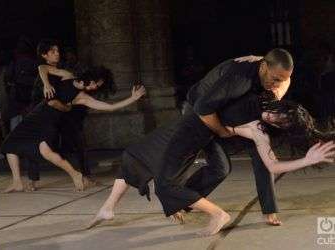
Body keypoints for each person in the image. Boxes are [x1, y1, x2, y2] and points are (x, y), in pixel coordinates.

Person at [87, 92, 335, 236]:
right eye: (278, 113)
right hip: (200, 125)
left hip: (201, 133)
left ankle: (213, 212)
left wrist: (306, 159)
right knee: (139, 155)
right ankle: (108, 208)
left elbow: (271, 167)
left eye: (279, 122)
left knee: (165, 177)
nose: (273, 118)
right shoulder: (261, 98)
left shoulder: (260, 131)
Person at [181, 48, 292, 226]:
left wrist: (276, 93)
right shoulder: (239, 78)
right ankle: (181, 200)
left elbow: (283, 80)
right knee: (220, 168)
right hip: (200, 113)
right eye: (275, 79)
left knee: (261, 151)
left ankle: (269, 210)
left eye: (282, 81)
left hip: (230, 112)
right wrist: (223, 132)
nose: (277, 84)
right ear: (263, 67)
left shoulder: (272, 73)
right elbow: (203, 108)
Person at [1, 66, 146, 193]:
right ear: (88, 79)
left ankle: (76, 174)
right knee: (10, 145)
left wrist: (132, 99)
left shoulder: (81, 97)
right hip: (36, 115)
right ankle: (17, 182)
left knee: (46, 152)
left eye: (98, 85)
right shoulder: (68, 76)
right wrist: (46, 84)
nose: (96, 87)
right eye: (96, 83)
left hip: (49, 121)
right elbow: (42, 68)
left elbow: (109, 107)